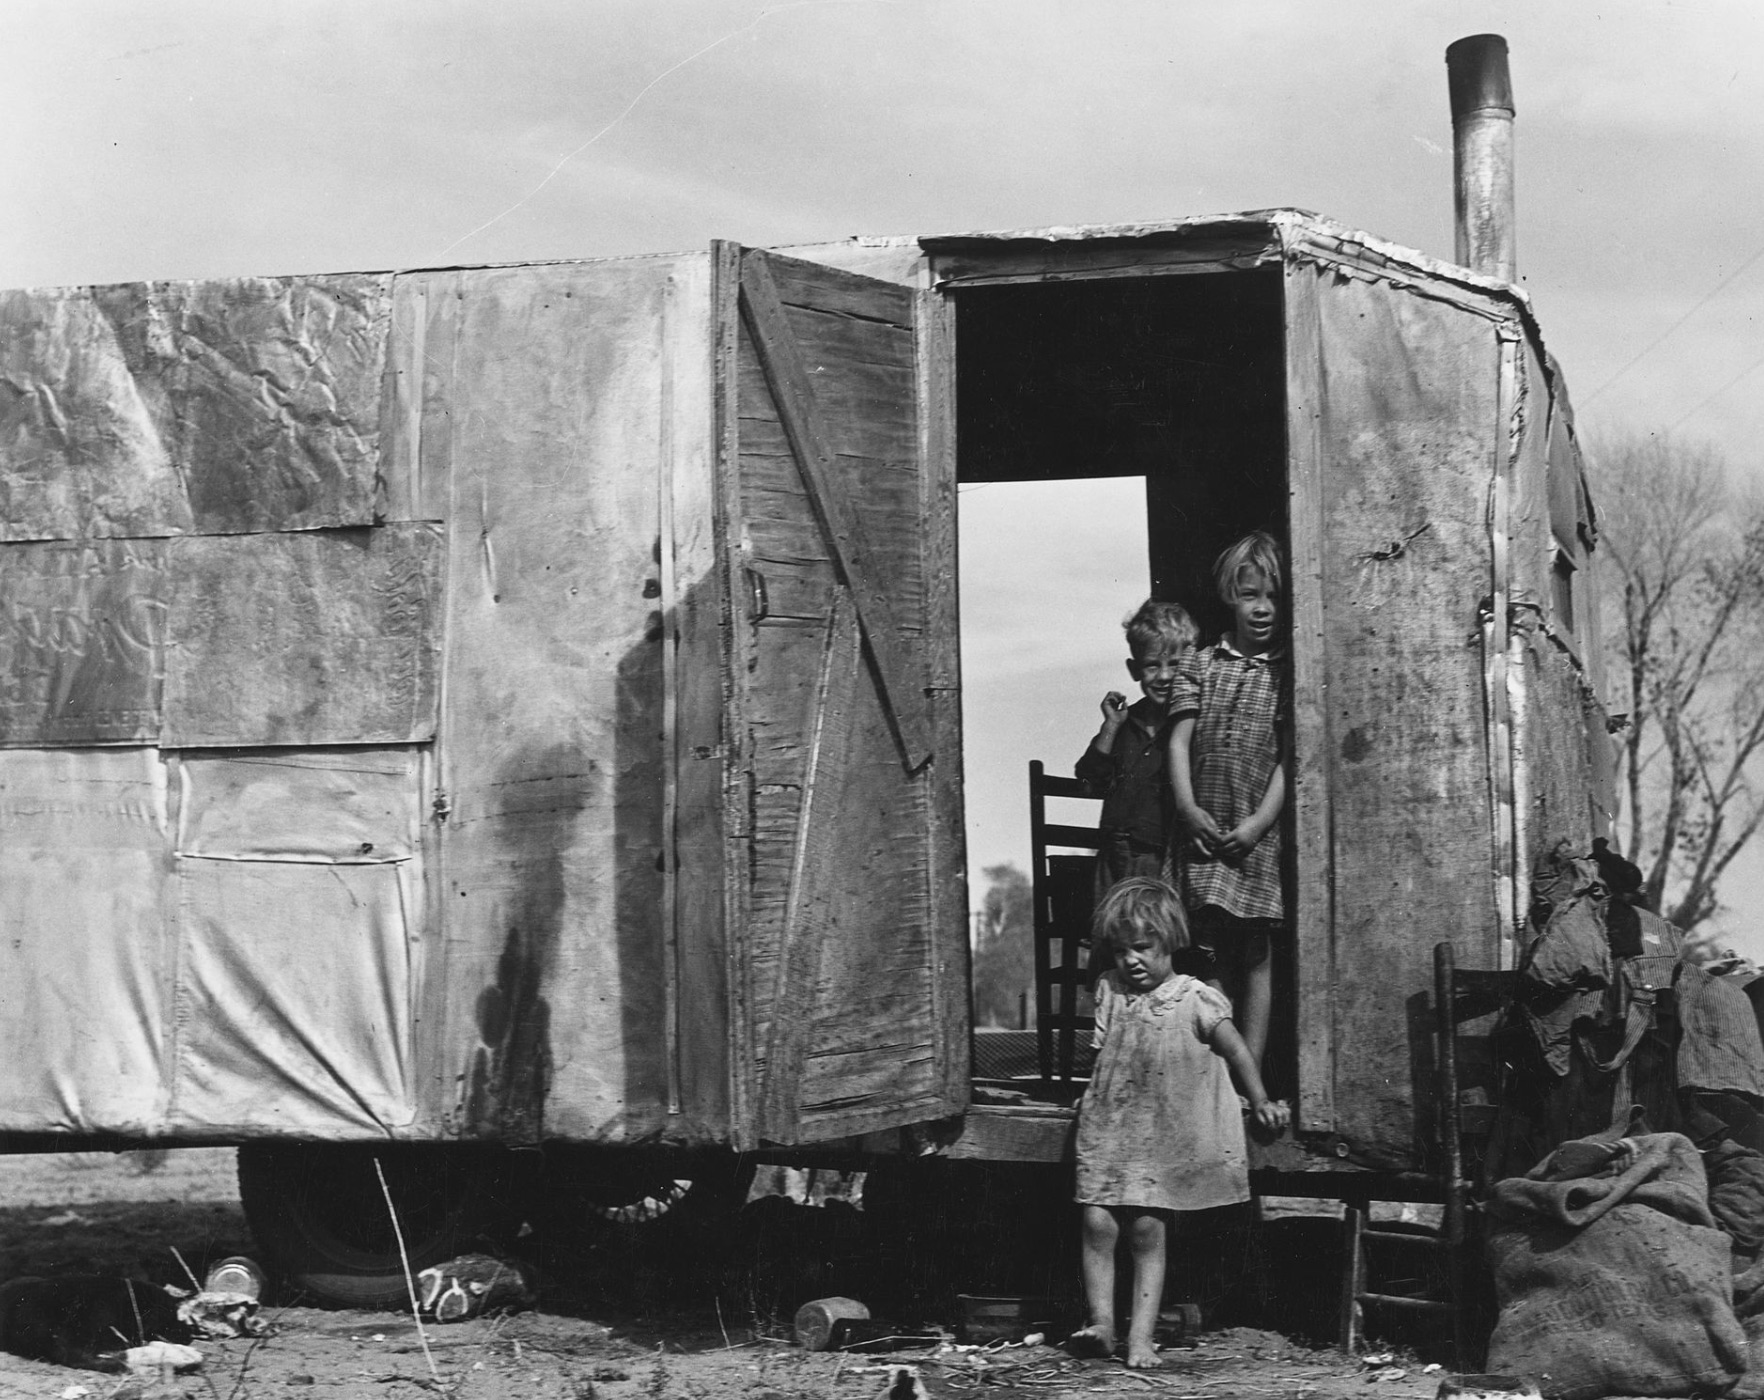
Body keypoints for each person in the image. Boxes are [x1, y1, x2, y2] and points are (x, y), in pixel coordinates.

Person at [1069, 878, 1287, 1369]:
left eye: (1142, 948)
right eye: (1122, 950)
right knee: (1096, 1222)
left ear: (1170, 941)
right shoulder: (1109, 989)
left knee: (1147, 1228)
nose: (1131, 960)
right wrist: (1086, 1099)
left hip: (1161, 1132)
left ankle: (1141, 1337)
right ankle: (1102, 1323)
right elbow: (1105, 1058)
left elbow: (1237, 1052)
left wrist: (1262, 1100)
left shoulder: (1194, 997)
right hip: (1111, 1124)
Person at [1168, 530, 1289, 1074]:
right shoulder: (1200, 663)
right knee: (1209, 948)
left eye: (1271, 596)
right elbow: (1178, 741)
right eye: (1249, 595)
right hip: (1204, 830)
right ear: (1228, 597)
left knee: (1257, 952)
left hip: (1253, 836)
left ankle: (1252, 1074)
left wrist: (1261, 823)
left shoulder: (1287, 673)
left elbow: (1290, 761)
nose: (1261, 608)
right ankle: (1219, 1070)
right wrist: (1188, 810)